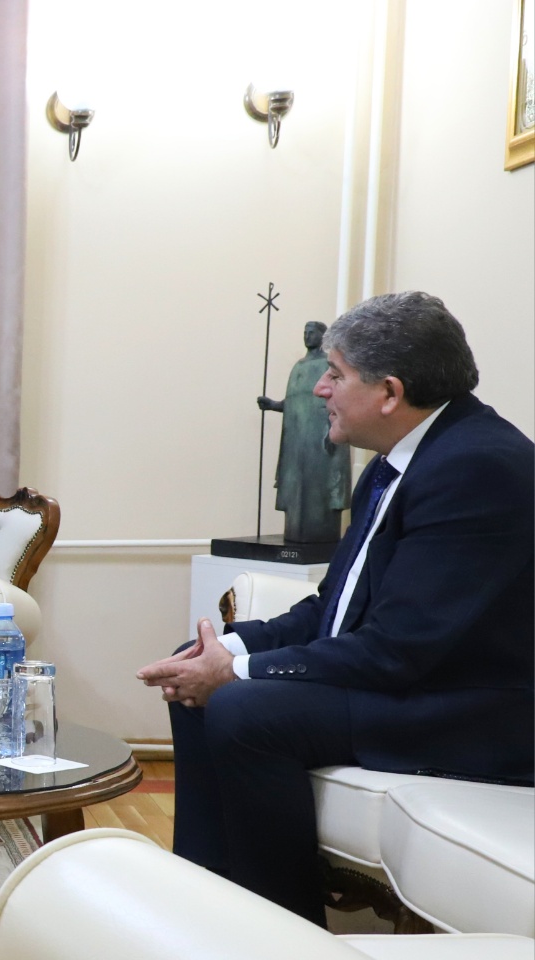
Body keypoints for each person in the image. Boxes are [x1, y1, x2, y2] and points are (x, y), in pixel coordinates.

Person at [138, 292, 534, 924]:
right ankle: (209, 903)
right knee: (197, 675)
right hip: (417, 681)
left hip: (473, 712)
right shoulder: (396, 462)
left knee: (242, 706)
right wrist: (229, 650)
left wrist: (237, 674)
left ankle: (284, 937)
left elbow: (398, 648)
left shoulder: (478, 468)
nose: (320, 388)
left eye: (336, 373)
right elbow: (336, 606)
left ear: (389, 393)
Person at [257, 320, 350, 544]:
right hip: (296, 440)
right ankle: (296, 532)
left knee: (320, 487)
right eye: (305, 332)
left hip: (321, 439)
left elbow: (338, 400)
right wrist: (273, 405)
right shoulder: (298, 367)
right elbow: (295, 403)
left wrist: (331, 432)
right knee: (295, 486)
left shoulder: (329, 366)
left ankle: (319, 534)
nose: (307, 336)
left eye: (312, 332)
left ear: (322, 336)